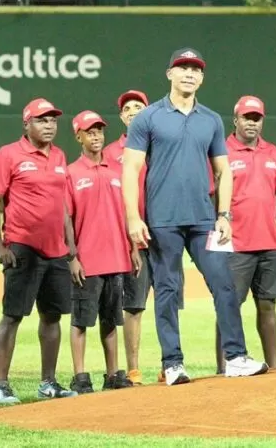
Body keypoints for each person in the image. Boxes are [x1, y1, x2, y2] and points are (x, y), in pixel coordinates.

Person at [122, 48, 267, 385]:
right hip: (162, 220)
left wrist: (224, 214)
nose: (189, 73)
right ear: (169, 73)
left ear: (201, 77)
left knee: (224, 284)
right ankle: (172, 364)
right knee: (168, 290)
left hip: (204, 220)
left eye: (195, 69)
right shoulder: (149, 118)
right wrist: (133, 217)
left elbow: (224, 171)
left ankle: (235, 357)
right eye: (182, 67)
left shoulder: (211, 120)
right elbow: (131, 168)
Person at [0, 98, 78, 403]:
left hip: (56, 251)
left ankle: (48, 382)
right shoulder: (8, 155)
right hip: (23, 247)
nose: (49, 125)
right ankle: (0, 385)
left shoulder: (60, 156)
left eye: (53, 120)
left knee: (52, 317)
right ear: (26, 124)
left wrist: (71, 247)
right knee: (12, 316)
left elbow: (62, 206)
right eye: (42, 120)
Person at [214, 96, 276, 373]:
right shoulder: (221, 151)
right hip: (234, 243)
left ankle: (274, 367)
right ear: (235, 119)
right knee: (229, 306)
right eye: (246, 117)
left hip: (269, 242)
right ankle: (223, 367)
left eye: (256, 118)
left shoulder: (274, 153)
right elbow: (210, 195)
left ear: (262, 121)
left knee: (268, 305)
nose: (251, 122)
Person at [103, 89, 177, 386]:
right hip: (130, 238)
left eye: (139, 106)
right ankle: (133, 369)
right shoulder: (110, 153)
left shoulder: (164, 144)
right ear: (122, 117)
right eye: (128, 108)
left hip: (165, 231)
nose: (133, 111)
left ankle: (170, 363)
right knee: (133, 305)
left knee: (168, 299)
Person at [65, 111, 138, 394]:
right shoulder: (72, 173)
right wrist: (72, 257)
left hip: (117, 257)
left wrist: (133, 249)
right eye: (89, 132)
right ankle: (80, 376)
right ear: (78, 136)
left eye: (99, 131)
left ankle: (112, 373)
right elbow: (66, 220)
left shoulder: (117, 171)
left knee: (111, 319)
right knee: (81, 320)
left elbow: (127, 213)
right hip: (87, 260)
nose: (95, 136)